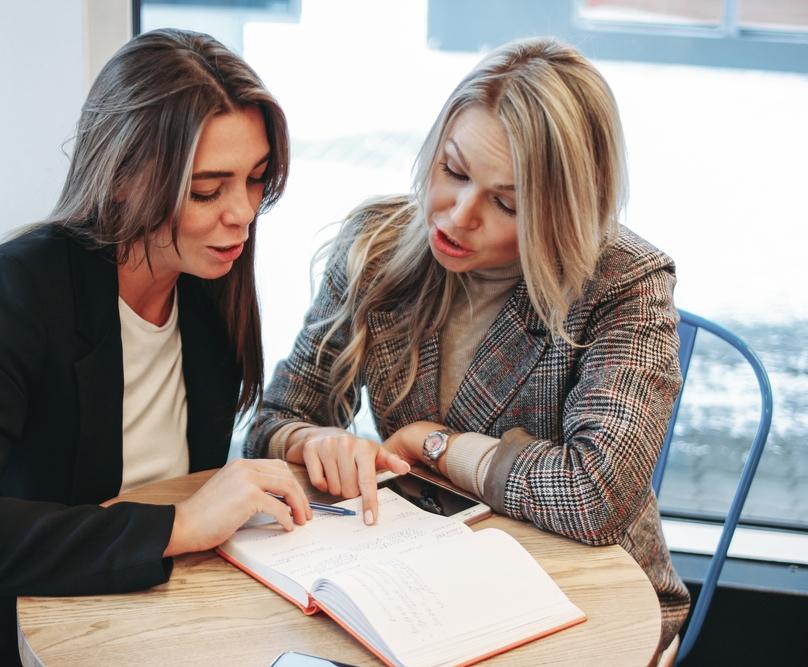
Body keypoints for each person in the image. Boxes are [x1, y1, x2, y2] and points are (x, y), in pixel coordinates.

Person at [0, 28, 312, 666]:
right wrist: (178, 527)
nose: (241, 213)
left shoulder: (211, 294)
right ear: (125, 178)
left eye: (257, 180)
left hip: (105, 633)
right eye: (207, 190)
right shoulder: (14, 290)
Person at [246, 36, 689, 650]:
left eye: (507, 203)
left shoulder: (623, 281)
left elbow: (594, 497)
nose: (455, 216)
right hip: (425, 583)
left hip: (594, 598)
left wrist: (438, 446)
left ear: (565, 212)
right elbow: (273, 420)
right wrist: (315, 439)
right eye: (452, 170)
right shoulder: (375, 248)